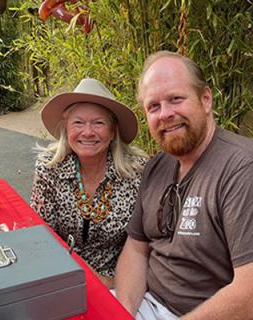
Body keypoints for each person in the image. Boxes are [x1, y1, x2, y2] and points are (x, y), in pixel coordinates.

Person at [115, 51, 253, 319]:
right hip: (152, 305)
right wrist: (123, 312)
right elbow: (137, 249)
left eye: (176, 99)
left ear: (206, 99)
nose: (165, 114)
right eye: (154, 106)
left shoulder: (247, 171)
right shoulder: (158, 166)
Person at [31, 78, 147, 289]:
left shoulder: (136, 171)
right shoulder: (48, 169)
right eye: (78, 122)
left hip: (119, 282)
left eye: (98, 123)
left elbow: (146, 240)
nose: (87, 132)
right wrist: (84, 275)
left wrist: (114, 283)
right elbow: (42, 236)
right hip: (61, 274)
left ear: (113, 132)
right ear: (66, 127)